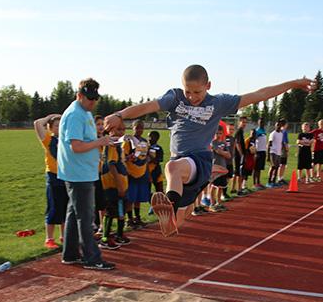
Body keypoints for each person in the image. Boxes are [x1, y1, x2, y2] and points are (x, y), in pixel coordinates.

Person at [103, 65, 312, 237]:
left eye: (197, 92)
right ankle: (174, 213)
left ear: (208, 86)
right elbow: (148, 106)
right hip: (185, 165)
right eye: (188, 91)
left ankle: (171, 204)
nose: (192, 97)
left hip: (199, 159)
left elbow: (259, 95)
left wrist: (293, 84)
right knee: (181, 218)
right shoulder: (175, 98)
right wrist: (120, 114)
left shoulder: (219, 103)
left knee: (172, 167)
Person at [58, 78, 116, 270]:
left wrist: (101, 140)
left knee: (74, 214)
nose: (93, 102)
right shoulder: (76, 114)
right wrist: (100, 143)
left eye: (95, 98)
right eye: (89, 98)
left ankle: (70, 253)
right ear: (79, 95)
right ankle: (92, 257)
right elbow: (76, 146)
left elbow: (84, 141)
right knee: (86, 216)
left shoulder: (83, 113)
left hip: (82, 171)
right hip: (79, 173)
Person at [33, 113, 67, 250]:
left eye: (61, 125)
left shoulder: (67, 140)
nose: (59, 128)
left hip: (67, 177)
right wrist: (49, 117)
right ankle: (49, 238)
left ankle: (65, 236)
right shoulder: (48, 140)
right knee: (53, 209)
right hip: (54, 178)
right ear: (51, 128)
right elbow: (37, 123)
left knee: (66, 209)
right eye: (56, 126)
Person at [99, 122, 130, 249]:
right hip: (113, 186)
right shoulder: (112, 145)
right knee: (111, 211)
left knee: (121, 210)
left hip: (120, 184)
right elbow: (111, 165)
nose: (121, 132)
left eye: (123, 129)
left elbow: (118, 162)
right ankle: (105, 238)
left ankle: (119, 234)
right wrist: (120, 185)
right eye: (118, 129)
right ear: (110, 131)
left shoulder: (119, 145)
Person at [123, 119, 151, 228]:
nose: (139, 130)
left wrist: (148, 173)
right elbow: (122, 158)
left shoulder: (144, 141)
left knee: (139, 197)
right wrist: (129, 157)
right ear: (132, 128)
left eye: (141, 127)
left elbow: (145, 157)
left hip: (142, 173)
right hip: (131, 174)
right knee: (131, 198)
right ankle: (129, 219)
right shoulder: (128, 141)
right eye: (137, 127)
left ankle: (137, 218)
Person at [210, 124, 231, 211]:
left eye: (220, 133)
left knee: (221, 186)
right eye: (217, 133)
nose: (218, 135)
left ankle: (219, 202)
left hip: (223, 167)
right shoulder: (212, 143)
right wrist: (223, 152)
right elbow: (217, 151)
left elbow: (229, 155)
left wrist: (221, 152)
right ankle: (212, 203)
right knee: (214, 186)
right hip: (215, 167)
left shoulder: (224, 143)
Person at [267, 119, 286, 187]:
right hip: (273, 152)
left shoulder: (281, 134)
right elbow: (269, 144)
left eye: (279, 125)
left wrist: (284, 149)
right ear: (275, 126)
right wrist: (268, 155)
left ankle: (274, 181)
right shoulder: (273, 133)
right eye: (277, 125)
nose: (278, 126)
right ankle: (269, 181)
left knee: (277, 167)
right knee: (273, 166)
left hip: (278, 153)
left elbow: (281, 142)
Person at [232, 116, 248, 195]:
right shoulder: (239, 131)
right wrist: (242, 154)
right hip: (238, 155)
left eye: (245, 122)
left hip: (237, 154)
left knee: (236, 172)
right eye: (243, 122)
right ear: (239, 122)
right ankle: (239, 189)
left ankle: (233, 188)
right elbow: (237, 143)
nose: (244, 124)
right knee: (239, 172)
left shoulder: (240, 131)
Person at [253, 118, 268, 188]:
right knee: (256, 168)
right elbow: (254, 141)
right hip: (258, 151)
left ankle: (258, 182)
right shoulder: (257, 131)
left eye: (262, 122)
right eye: (260, 122)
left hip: (263, 151)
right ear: (258, 123)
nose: (261, 123)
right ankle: (254, 183)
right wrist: (255, 152)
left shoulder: (264, 131)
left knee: (260, 168)